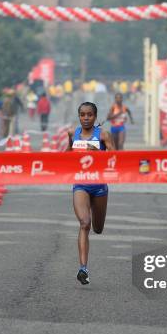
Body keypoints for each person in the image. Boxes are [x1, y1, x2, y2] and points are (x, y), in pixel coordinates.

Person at [67, 102, 115, 285]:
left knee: (97, 228)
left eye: (89, 115)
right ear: (78, 116)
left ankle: (95, 215)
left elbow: (115, 157)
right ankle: (83, 269)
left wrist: (98, 152)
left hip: (100, 186)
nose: (86, 118)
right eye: (82, 114)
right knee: (84, 223)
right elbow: (64, 155)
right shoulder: (73, 133)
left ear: (95, 117)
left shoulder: (103, 134)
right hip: (81, 184)